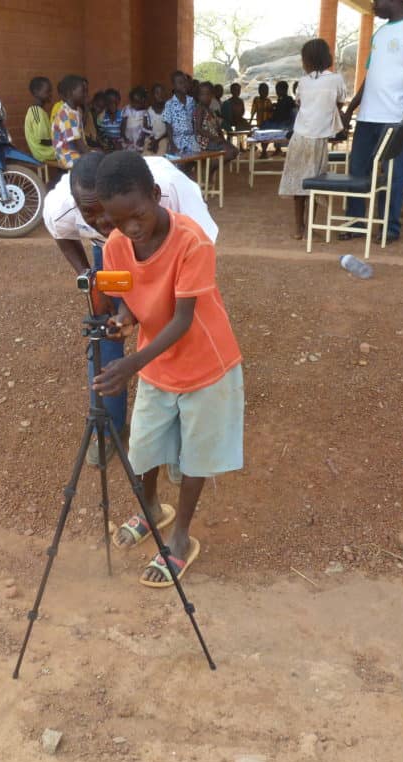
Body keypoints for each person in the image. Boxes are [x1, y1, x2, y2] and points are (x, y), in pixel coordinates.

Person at [92, 151, 243, 587]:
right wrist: (123, 319)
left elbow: (182, 319)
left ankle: (180, 538)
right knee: (143, 449)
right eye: (119, 221)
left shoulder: (192, 241)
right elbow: (126, 298)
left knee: (196, 456)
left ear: (156, 196)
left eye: (137, 215)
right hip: (156, 365)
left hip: (206, 366)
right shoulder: (116, 246)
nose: (131, 228)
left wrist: (130, 363)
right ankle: (152, 509)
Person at [41, 153, 219, 466]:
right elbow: (62, 235)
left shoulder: (170, 188)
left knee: (174, 327)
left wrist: (156, 299)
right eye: (91, 214)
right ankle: (108, 428)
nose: (104, 223)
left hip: (168, 245)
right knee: (109, 329)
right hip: (109, 253)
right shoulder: (61, 208)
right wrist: (92, 280)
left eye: (110, 215)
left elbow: (201, 250)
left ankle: (180, 426)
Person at [341, 0, 403, 244]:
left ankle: (389, 227)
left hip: (395, 118)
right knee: (357, 171)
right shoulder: (380, 33)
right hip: (367, 117)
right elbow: (371, 76)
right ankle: (355, 222)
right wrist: (351, 108)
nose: (373, 5)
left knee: (393, 173)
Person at [279, 38, 347, 239]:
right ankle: (309, 226)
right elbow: (340, 102)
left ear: (307, 60)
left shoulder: (303, 82)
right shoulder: (336, 79)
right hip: (317, 140)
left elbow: (300, 104)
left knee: (298, 184)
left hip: (299, 138)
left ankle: (298, 228)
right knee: (315, 184)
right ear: (326, 57)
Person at [194, 82, 239, 161]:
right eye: (202, 94)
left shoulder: (211, 111)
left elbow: (218, 128)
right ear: (198, 96)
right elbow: (198, 129)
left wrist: (222, 139)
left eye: (208, 94)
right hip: (205, 142)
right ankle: (211, 167)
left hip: (214, 140)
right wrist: (214, 138)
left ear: (212, 95)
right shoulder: (200, 109)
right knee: (231, 151)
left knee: (235, 150)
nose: (205, 97)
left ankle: (213, 167)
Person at [52, 74, 89, 170]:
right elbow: (77, 142)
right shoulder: (66, 114)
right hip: (66, 155)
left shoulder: (75, 111)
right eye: (83, 91)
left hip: (74, 150)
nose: (86, 95)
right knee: (92, 163)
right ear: (70, 93)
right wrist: (90, 153)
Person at [165, 70, 200, 156]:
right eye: (180, 82)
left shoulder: (191, 101)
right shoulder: (169, 104)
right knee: (180, 164)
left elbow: (194, 120)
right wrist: (172, 144)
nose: (184, 84)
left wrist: (196, 137)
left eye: (185, 82)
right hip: (177, 141)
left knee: (196, 162)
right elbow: (168, 126)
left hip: (191, 140)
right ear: (174, 85)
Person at [24, 76, 56, 164]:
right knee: (72, 150)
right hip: (43, 152)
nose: (50, 94)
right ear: (36, 93)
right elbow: (43, 140)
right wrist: (59, 141)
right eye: (47, 91)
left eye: (51, 91)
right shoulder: (36, 112)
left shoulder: (40, 111)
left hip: (46, 150)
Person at [250, 82, 275, 158]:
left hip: (267, 123)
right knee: (260, 137)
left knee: (266, 138)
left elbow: (271, 113)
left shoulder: (268, 101)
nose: (265, 92)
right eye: (263, 90)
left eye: (266, 90)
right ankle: (262, 151)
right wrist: (250, 121)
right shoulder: (256, 100)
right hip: (259, 122)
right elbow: (253, 111)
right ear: (259, 91)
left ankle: (264, 151)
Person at [121, 86, 151, 152]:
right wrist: (124, 136)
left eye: (138, 102)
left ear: (143, 101)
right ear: (131, 101)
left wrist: (142, 138)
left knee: (139, 152)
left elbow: (145, 127)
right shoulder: (127, 109)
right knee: (127, 152)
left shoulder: (145, 112)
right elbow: (123, 124)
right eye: (134, 102)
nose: (136, 105)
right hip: (128, 136)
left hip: (139, 137)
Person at [148, 83, 169, 154]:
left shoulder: (168, 110)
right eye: (157, 93)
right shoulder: (149, 111)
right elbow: (147, 129)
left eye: (162, 93)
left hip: (163, 138)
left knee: (161, 154)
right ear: (152, 96)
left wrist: (157, 140)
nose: (160, 95)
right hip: (151, 138)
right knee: (146, 154)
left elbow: (169, 129)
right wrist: (152, 139)